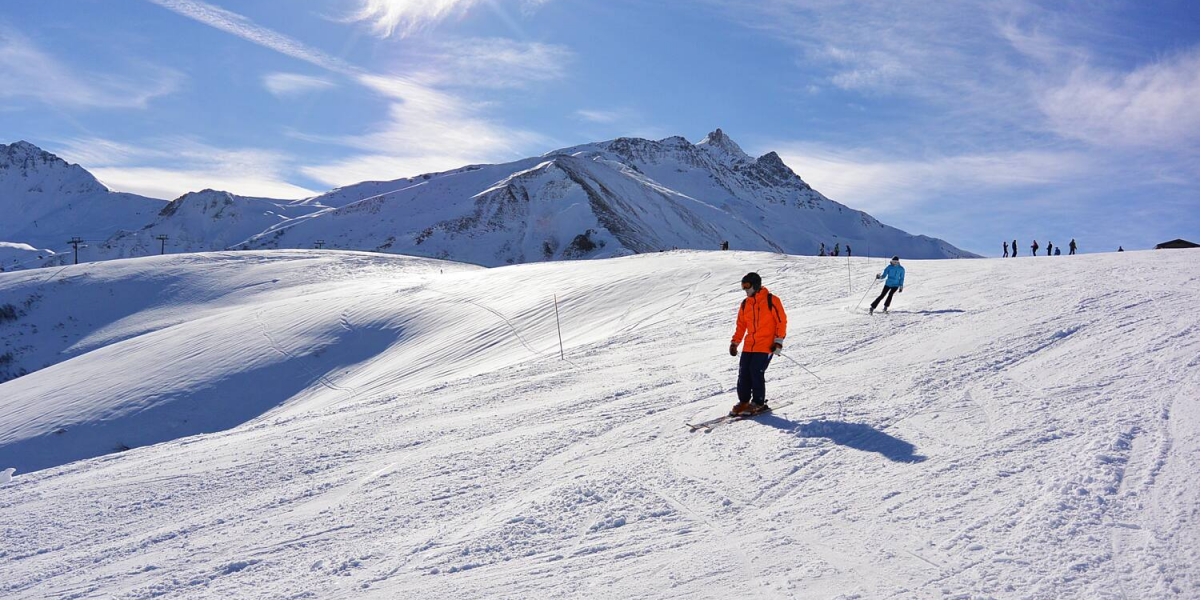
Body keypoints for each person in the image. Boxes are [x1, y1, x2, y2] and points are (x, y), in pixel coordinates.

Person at [729, 272, 787, 416]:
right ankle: (744, 402)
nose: (745, 290)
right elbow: (741, 326)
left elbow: (781, 321)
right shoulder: (745, 304)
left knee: (756, 371)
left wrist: (778, 342)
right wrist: (735, 343)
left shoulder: (771, 300)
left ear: (755, 285)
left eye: (747, 286)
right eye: (743, 287)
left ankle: (759, 403)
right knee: (744, 372)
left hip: (766, 345)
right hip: (750, 345)